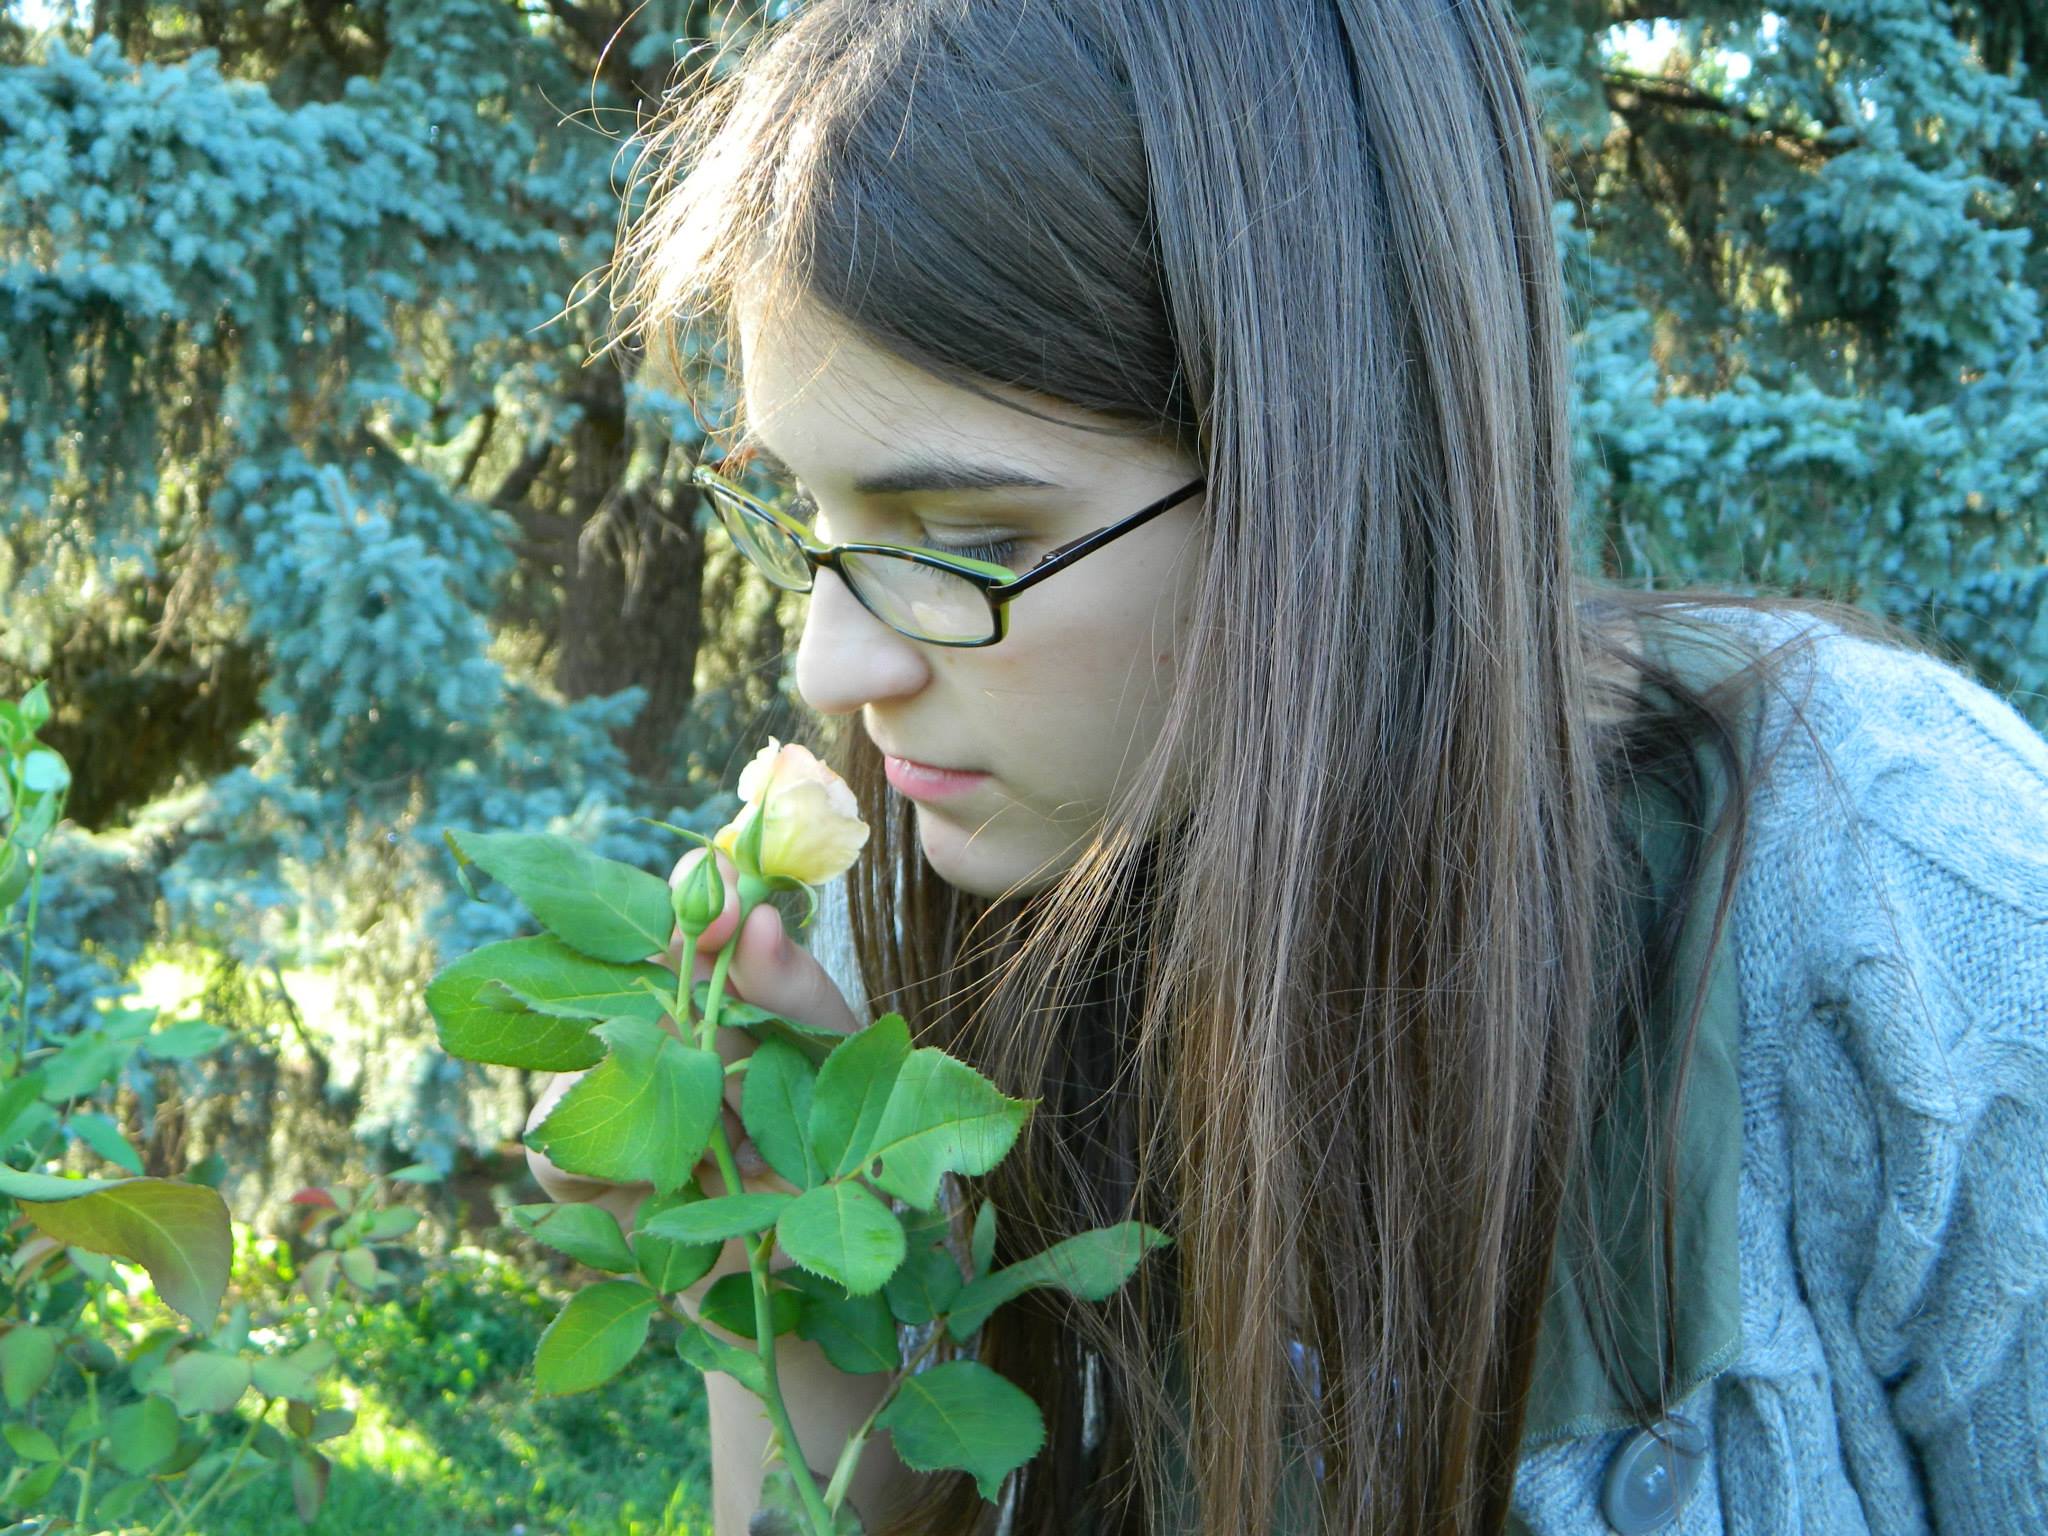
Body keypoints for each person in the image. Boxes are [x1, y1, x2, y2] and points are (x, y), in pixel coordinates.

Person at [524, 2, 2048, 1532]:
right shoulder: (896, 970)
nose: (830, 670)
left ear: (1333, 461)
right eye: (809, 510)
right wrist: (798, 1311)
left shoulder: (1914, 917)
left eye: (972, 541)